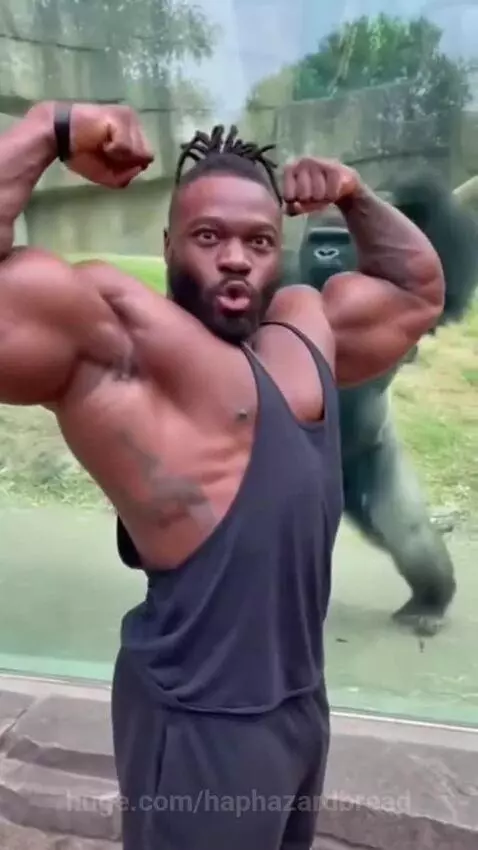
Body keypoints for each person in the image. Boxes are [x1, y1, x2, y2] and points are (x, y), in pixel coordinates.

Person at [0, 102, 444, 850]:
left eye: (260, 241)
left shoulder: (307, 332)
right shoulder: (121, 340)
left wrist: (353, 196)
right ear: (168, 243)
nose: (236, 258)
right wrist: (52, 127)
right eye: (209, 237)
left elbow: (416, 292)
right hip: (201, 724)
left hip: (303, 708)